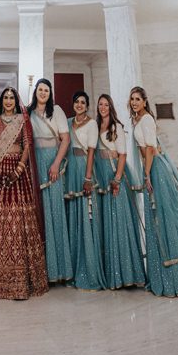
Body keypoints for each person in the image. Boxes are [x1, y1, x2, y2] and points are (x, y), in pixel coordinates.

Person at [129, 87, 178, 297]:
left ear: (145, 101)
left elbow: (151, 149)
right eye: (132, 99)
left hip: (156, 170)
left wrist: (147, 175)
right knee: (154, 219)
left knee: (164, 218)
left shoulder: (147, 119)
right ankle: (160, 278)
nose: (134, 102)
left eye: (138, 99)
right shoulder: (137, 120)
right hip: (150, 169)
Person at [0, 87, 48, 299]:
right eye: (6, 98)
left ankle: (21, 280)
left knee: (19, 221)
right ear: (1, 101)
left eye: (12, 98)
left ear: (16, 101)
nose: (9, 101)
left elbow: (27, 146)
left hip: (18, 176)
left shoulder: (22, 120)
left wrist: (19, 170)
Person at [94, 94, 146, 290]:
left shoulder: (116, 127)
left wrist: (117, 179)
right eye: (100, 104)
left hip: (115, 174)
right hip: (101, 176)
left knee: (119, 220)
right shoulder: (95, 126)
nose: (103, 107)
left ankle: (128, 273)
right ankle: (112, 272)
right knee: (107, 221)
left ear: (111, 107)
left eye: (106, 105)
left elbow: (122, 155)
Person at [28, 79, 73, 284]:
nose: (43, 93)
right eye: (40, 89)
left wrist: (56, 164)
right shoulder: (28, 112)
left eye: (46, 90)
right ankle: (39, 269)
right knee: (38, 213)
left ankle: (58, 269)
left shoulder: (56, 111)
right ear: (35, 91)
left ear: (50, 93)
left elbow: (66, 139)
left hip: (52, 163)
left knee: (54, 211)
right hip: (35, 164)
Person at [65, 91, 106, 291]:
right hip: (70, 168)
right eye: (77, 102)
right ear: (73, 104)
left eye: (83, 102)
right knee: (72, 214)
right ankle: (72, 267)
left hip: (84, 168)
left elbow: (91, 151)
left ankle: (89, 268)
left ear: (87, 106)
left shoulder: (91, 124)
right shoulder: (68, 122)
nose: (79, 105)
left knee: (86, 215)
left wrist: (88, 177)